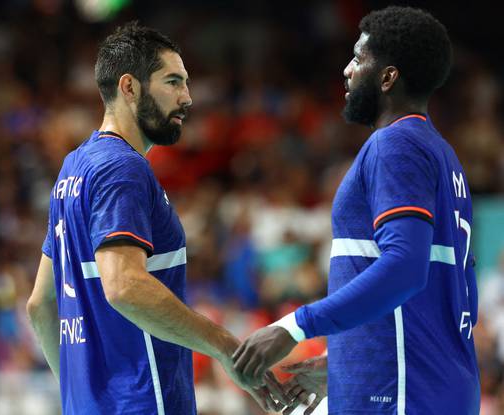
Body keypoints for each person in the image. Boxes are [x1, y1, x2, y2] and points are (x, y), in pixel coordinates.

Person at [232, 6, 480, 415]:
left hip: (405, 395)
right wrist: (349, 359)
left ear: (388, 77)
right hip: (427, 385)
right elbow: (436, 287)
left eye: (358, 58)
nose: (347, 70)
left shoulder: (395, 145)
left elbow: (405, 267)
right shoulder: (441, 153)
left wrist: (292, 327)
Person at [26, 22, 283, 414]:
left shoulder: (73, 169)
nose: (187, 98)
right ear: (129, 87)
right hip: (144, 403)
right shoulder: (122, 169)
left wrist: (80, 398)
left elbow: (41, 305)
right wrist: (226, 347)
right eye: (173, 82)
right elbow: (125, 286)